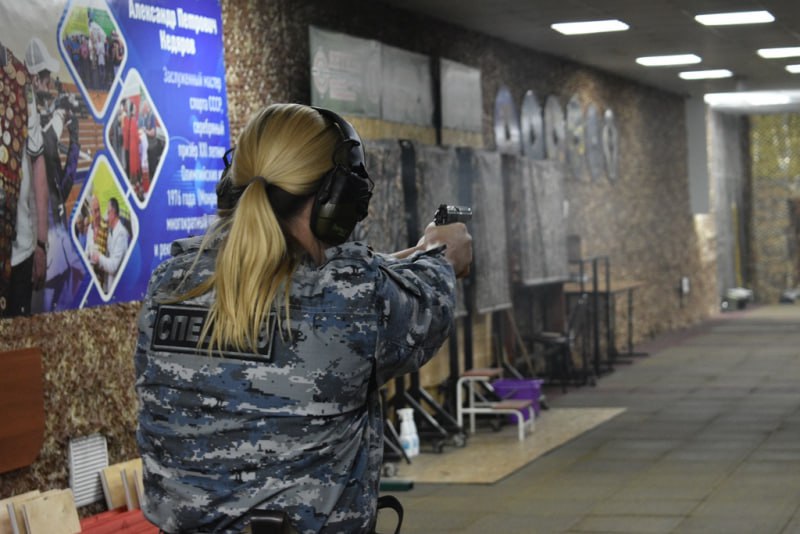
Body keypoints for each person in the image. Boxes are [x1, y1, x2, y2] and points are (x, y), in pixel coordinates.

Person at [134, 103, 472, 533]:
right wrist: (441, 253)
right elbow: (429, 303)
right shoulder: (354, 297)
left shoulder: (169, 283)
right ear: (337, 199)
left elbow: (304, 292)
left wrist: (390, 263)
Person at [0, 41, 48, 317]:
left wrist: (41, 243)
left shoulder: (19, 78)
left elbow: (37, 160)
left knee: (18, 354)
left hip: (20, 255)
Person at [91, 196, 129, 294]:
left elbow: (113, 266)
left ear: (113, 213)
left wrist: (99, 257)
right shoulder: (111, 232)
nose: (107, 217)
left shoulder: (121, 234)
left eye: (108, 212)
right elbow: (107, 258)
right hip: (109, 287)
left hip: (119, 289)